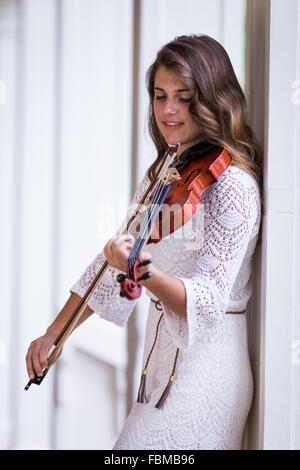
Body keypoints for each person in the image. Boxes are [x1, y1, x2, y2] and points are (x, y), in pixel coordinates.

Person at [26, 34, 263, 450]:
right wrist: (54, 334)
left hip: (206, 374)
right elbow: (110, 268)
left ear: (213, 100)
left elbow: (204, 300)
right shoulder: (168, 171)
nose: (168, 110)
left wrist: (143, 271)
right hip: (160, 370)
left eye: (184, 97)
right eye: (159, 95)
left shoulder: (233, 187)